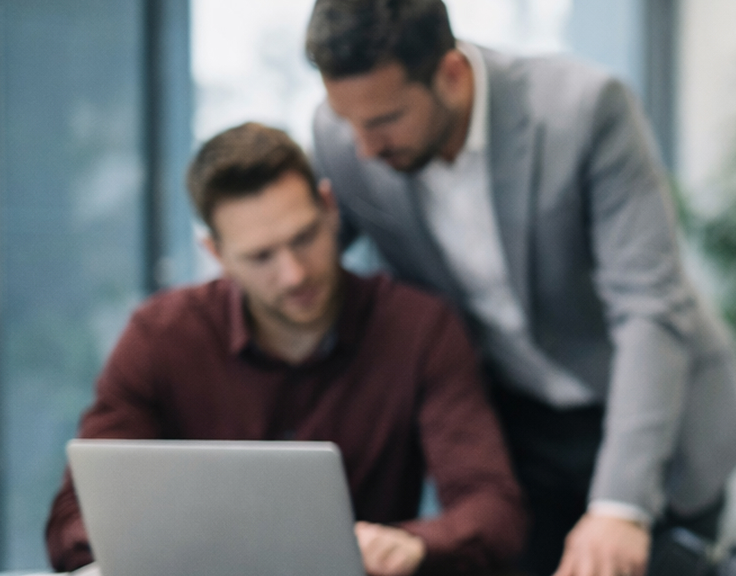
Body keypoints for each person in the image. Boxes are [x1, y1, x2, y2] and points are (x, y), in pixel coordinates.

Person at [303, 1, 736, 575]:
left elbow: (647, 306)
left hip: (652, 421)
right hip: (520, 432)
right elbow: (301, 269)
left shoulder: (583, 110)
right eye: (348, 122)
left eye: (384, 122)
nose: (362, 147)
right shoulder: (344, 138)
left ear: (451, 75)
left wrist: (619, 506)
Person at [45, 123, 526, 576]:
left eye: (305, 238)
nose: (295, 274)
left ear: (328, 207)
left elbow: (492, 508)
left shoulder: (418, 329)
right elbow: (72, 518)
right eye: (261, 256)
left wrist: (412, 543)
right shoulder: (162, 336)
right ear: (216, 254)